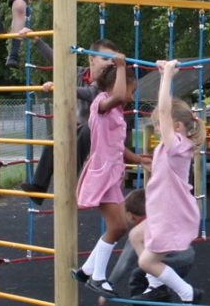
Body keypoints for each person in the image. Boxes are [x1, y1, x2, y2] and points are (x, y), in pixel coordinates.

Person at [127, 59, 204, 306]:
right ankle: (156, 287)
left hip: (173, 215)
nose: (157, 128)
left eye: (160, 124)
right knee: (136, 235)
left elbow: (163, 108)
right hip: (163, 212)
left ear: (177, 127)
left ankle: (187, 293)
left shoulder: (177, 144)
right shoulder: (167, 148)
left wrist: (167, 77)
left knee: (147, 261)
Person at [19, 37, 131, 201]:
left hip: (100, 132)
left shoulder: (106, 83)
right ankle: (38, 186)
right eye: (105, 59)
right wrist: (37, 41)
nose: (109, 64)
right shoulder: (79, 73)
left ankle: (73, 179)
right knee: (53, 140)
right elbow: (57, 60)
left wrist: (60, 86)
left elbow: (91, 94)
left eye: (112, 62)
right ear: (91, 59)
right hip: (79, 129)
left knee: (86, 129)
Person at [73, 53, 136, 297]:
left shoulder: (116, 113)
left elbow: (117, 147)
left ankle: (86, 270)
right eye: (131, 90)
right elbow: (119, 95)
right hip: (101, 175)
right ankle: (97, 278)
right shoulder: (100, 103)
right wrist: (121, 67)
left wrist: (138, 159)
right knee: (118, 226)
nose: (130, 96)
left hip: (111, 174)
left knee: (120, 226)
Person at [107, 188, 196, 306]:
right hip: (187, 258)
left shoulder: (140, 231)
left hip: (173, 261)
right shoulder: (160, 219)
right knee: (157, 276)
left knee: (139, 276)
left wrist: (108, 285)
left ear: (131, 215)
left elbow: (124, 263)